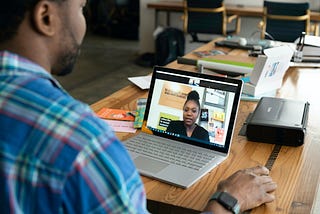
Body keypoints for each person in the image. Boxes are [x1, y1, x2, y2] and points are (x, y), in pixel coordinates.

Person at [0, 0, 277, 213]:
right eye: (82, 8)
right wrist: (228, 200)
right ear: (46, 17)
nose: (83, 24)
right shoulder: (81, 141)